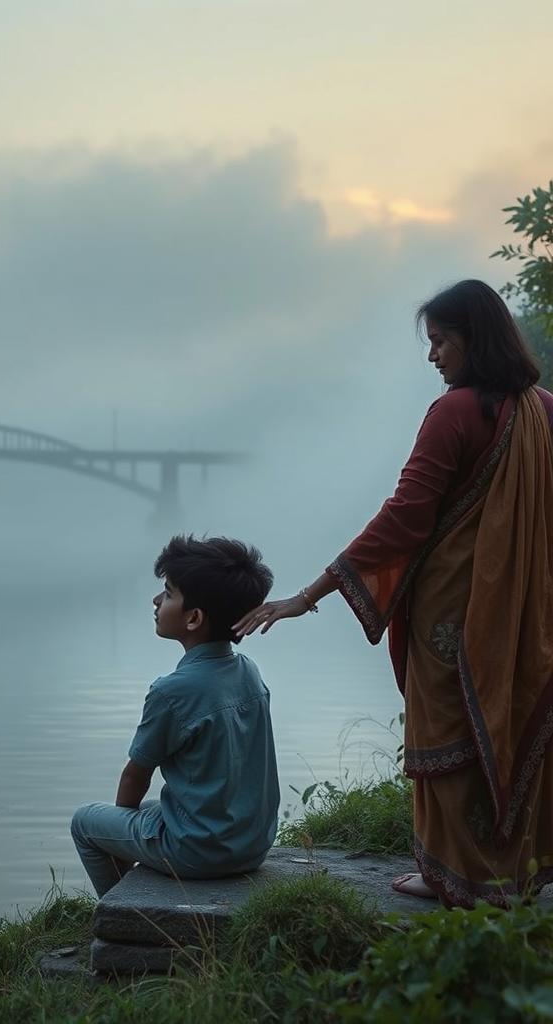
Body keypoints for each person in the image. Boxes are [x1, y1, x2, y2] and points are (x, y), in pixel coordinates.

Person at [234, 279, 553, 908]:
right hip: (528, 611)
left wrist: (310, 593)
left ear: (472, 338)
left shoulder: (455, 412)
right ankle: (513, 871)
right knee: (512, 717)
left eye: (440, 341)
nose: (432, 355)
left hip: (454, 614)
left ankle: (452, 877)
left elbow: (406, 516)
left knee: (449, 729)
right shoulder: (546, 409)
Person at [71, 535, 280, 897]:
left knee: (86, 822)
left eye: (168, 593)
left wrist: (121, 830)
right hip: (251, 846)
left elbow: (135, 775)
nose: (156, 600)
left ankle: (122, 906)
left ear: (194, 618)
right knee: (154, 809)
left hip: (199, 854)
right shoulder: (248, 671)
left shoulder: (172, 692)